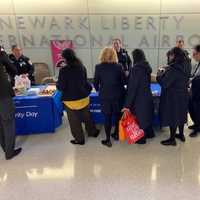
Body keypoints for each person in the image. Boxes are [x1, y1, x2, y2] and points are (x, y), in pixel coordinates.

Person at [57, 48, 99, 145]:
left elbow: (61, 86)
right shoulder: (82, 67)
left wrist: (57, 84)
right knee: (87, 116)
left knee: (74, 121)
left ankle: (79, 139)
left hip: (70, 100)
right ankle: (93, 132)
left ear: (65, 58)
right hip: (84, 97)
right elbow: (85, 81)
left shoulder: (63, 70)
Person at [157, 47, 190, 146]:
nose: (169, 57)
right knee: (181, 114)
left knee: (173, 116)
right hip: (183, 94)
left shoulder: (174, 69)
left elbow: (165, 83)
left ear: (175, 56)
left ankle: (172, 139)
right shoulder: (186, 65)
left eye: (171, 55)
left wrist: (159, 75)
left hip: (173, 96)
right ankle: (181, 134)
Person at [94, 47, 126, 147]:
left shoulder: (98, 67)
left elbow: (95, 83)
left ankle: (108, 139)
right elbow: (123, 81)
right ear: (114, 55)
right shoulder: (119, 66)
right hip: (118, 95)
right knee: (117, 115)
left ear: (102, 55)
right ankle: (116, 134)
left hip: (105, 96)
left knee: (107, 117)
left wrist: (100, 90)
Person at [123, 49, 154, 144]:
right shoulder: (147, 67)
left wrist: (127, 105)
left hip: (138, 98)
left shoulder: (135, 69)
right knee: (146, 116)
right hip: (147, 95)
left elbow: (132, 88)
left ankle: (141, 139)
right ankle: (150, 134)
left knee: (139, 119)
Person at [0, 46, 22, 160]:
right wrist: (3, 55)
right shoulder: (2, 55)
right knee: (8, 123)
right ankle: (9, 152)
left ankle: (5, 147)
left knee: (1, 125)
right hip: (3, 96)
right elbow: (13, 69)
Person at [188, 44, 200, 137]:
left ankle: (197, 128)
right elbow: (195, 75)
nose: (193, 56)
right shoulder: (198, 64)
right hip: (195, 91)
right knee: (192, 108)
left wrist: (192, 79)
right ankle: (196, 124)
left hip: (198, 92)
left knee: (197, 110)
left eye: (195, 54)